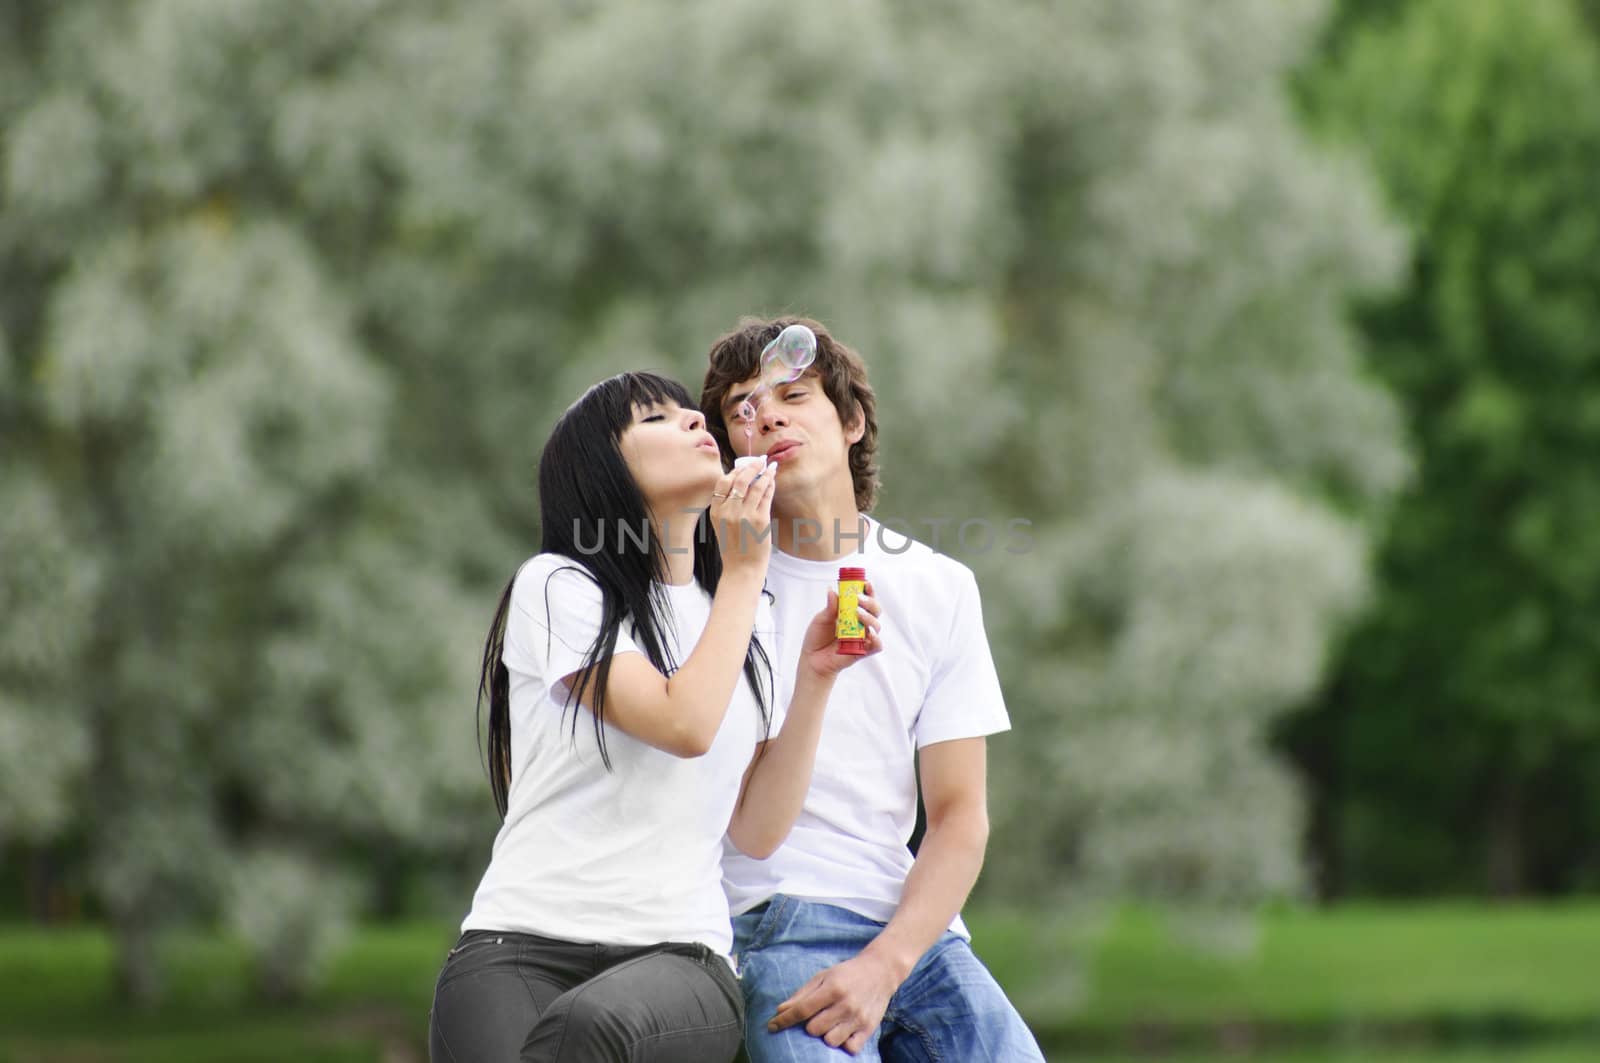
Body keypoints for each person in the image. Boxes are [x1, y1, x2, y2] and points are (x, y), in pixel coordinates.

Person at [429, 371, 881, 1063]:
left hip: (680, 955)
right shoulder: (556, 588)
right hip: (513, 945)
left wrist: (814, 679)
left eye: (689, 413)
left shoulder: (741, 616)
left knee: (590, 1026)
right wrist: (745, 573)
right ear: (600, 471)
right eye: (656, 419)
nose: (696, 423)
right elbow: (684, 723)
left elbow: (757, 830)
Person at [702, 320, 1045, 1060]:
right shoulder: (717, 591)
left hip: (914, 934)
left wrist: (886, 964)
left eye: (794, 394)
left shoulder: (941, 588)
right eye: (743, 412)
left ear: (852, 421)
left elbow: (959, 817)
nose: (769, 416)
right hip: (774, 920)